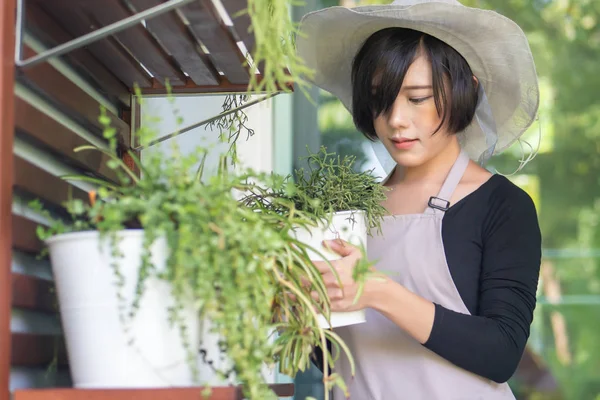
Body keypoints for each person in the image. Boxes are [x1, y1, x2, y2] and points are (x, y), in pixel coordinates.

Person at [296, 1, 542, 399]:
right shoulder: (350, 210)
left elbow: (501, 353)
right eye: (380, 98)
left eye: (417, 98)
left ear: (468, 90)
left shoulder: (502, 205)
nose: (395, 119)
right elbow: (342, 358)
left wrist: (376, 291)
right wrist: (301, 316)